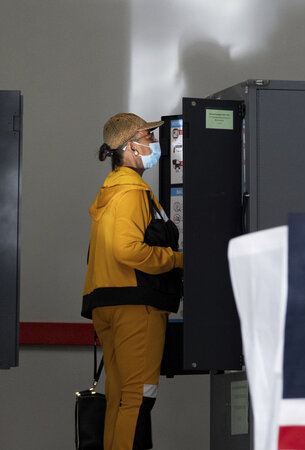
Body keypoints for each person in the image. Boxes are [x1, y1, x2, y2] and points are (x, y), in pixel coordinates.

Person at [82, 113, 183, 450]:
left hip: (107, 303)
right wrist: (179, 259)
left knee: (120, 397)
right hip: (136, 305)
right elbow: (128, 251)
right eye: (147, 137)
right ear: (130, 147)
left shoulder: (110, 192)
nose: (154, 142)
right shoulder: (132, 192)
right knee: (138, 396)